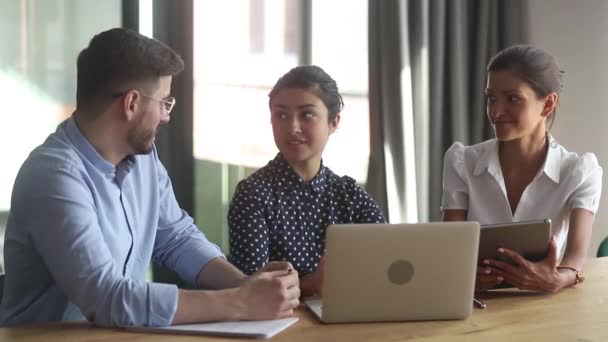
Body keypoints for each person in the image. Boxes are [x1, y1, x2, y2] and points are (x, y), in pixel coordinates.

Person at [0, 28, 300, 327]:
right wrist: (240, 302)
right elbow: (107, 299)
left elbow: (177, 238)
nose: (166, 116)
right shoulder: (53, 177)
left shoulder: (144, 158)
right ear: (131, 104)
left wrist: (244, 285)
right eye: (164, 103)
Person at [442, 45, 602, 293]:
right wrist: (464, 278)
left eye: (512, 98)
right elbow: (449, 252)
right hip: (475, 309)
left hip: (542, 306)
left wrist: (559, 279)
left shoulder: (579, 172)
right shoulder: (462, 162)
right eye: (491, 97)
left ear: (547, 104)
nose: (496, 111)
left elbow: (575, 259)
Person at [228, 65, 386, 297]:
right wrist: (311, 284)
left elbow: (386, 259)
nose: (292, 127)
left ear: (333, 122)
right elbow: (251, 290)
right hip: (279, 324)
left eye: (307, 115)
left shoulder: (350, 195)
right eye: (281, 115)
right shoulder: (253, 194)